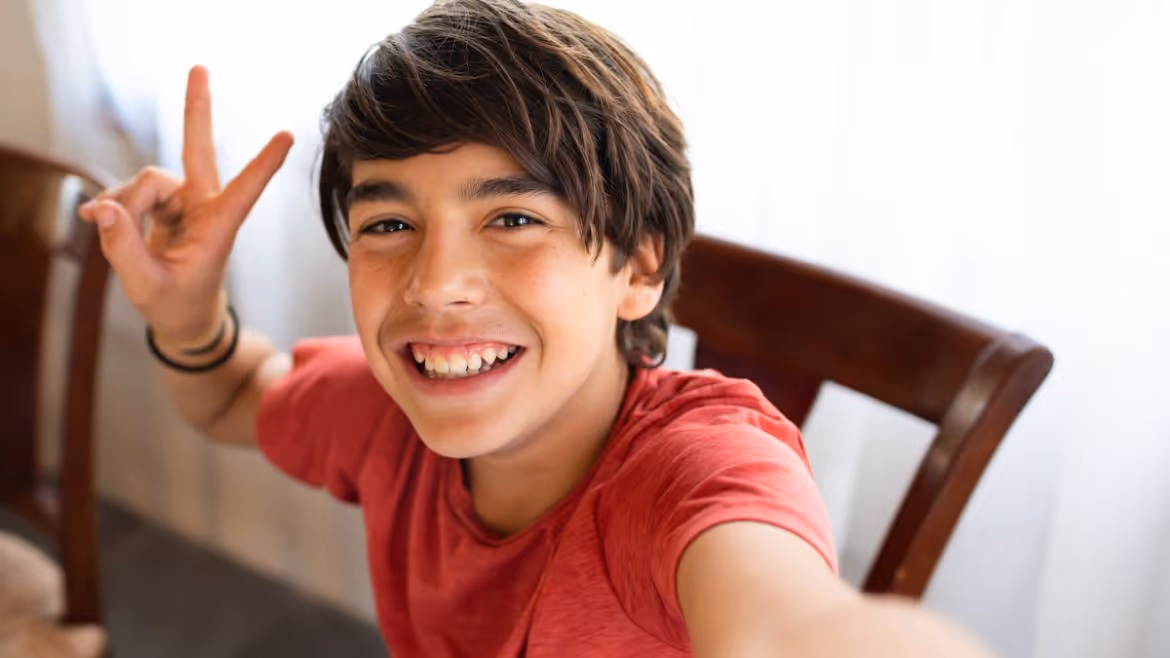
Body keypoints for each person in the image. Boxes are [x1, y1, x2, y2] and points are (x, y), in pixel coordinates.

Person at [79, 0, 992, 655]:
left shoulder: (695, 470)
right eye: (389, 225)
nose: (436, 286)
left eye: (512, 219)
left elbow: (799, 624)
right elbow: (236, 391)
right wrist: (189, 315)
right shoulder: (386, 417)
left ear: (638, 267)